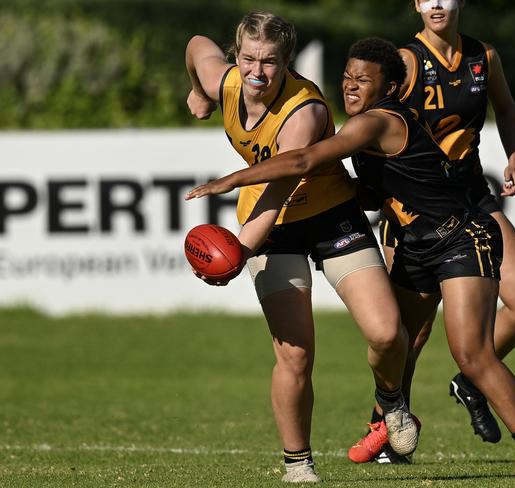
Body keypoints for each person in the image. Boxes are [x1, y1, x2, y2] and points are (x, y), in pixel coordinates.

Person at [185, 36, 515, 483]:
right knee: (398, 339)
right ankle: (388, 415)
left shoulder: (377, 122)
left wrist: (231, 180)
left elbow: (302, 158)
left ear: (390, 87)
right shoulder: (359, 123)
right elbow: (370, 188)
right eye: (346, 77)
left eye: (363, 80)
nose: (350, 86)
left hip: (458, 237)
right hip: (414, 241)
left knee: (470, 353)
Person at [184, 12, 418, 483]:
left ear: (287, 62)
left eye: (270, 62)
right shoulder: (225, 82)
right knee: (295, 353)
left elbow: (279, 186)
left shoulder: (304, 110)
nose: (257, 71)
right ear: (236, 56)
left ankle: (390, 399)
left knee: (389, 334)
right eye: (248, 58)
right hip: (273, 229)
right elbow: (195, 44)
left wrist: (240, 251)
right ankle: (298, 465)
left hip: (329, 216)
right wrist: (196, 89)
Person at [351, 0, 515, 464]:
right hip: (414, 208)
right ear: (417, 5)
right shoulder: (404, 62)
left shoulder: (484, 57)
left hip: (472, 195)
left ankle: (472, 375)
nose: (438, 3)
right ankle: (386, 429)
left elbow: (507, 108)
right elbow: (378, 132)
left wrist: (513, 155)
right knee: (408, 335)